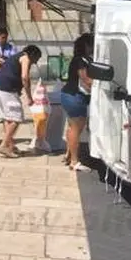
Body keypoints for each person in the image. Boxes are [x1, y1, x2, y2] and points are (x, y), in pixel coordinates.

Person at [0, 45, 43, 158]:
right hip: (7, 89)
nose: (35, 62)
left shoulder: (15, 57)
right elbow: (25, 77)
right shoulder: (25, 58)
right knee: (17, 118)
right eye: (37, 59)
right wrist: (29, 97)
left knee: (8, 118)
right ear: (32, 54)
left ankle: (10, 145)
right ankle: (4, 145)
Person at [60, 33, 94, 172]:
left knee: (71, 127)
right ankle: (74, 161)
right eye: (91, 44)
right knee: (75, 128)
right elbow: (87, 80)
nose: (93, 47)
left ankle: (68, 155)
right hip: (74, 97)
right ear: (86, 45)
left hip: (69, 95)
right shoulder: (80, 60)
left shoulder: (81, 59)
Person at [0, 26, 17, 124]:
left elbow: (14, 59)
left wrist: (5, 60)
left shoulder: (11, 47)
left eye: (5, 37)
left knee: (5, 96)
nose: (4, 40)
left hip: (6, 74)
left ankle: (5, 114)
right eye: (2, 37)